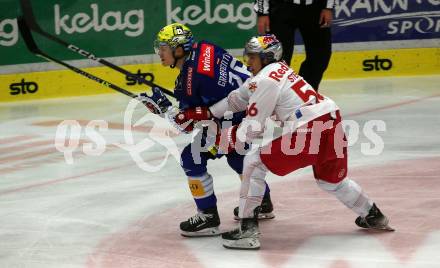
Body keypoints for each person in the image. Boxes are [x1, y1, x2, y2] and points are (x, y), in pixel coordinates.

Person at [183, 34, 393, 249]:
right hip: (331, 119)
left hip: (310, 127)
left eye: (253, 57)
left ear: (266, 58)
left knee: (253, 162)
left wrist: (220, 140)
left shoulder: (265, 80)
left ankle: (247, 231)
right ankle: (373, 215)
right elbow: (236, 99)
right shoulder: (277, 72)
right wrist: (206, 112)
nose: (248, 61)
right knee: (332, 181)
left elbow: (253, 127)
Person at [140, 23, 275, 237]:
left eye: (164, 48)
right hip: (251, 108)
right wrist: (190, 105)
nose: (159, 53)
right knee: (237, 157)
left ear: (178, 49)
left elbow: (186, 125)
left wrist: (164, 109)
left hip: (235, 117)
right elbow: (208, 94)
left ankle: (208, 216)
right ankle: (261, 202)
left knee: (191, 157)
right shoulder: (206, 48)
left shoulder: (191, 82)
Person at [254, 0, 333, 90]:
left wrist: (328, 7)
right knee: (277, 60)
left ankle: (304, 94)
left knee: (320, 56)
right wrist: (262, 13)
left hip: (316, 9)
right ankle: (276, 96)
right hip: (281, 7)